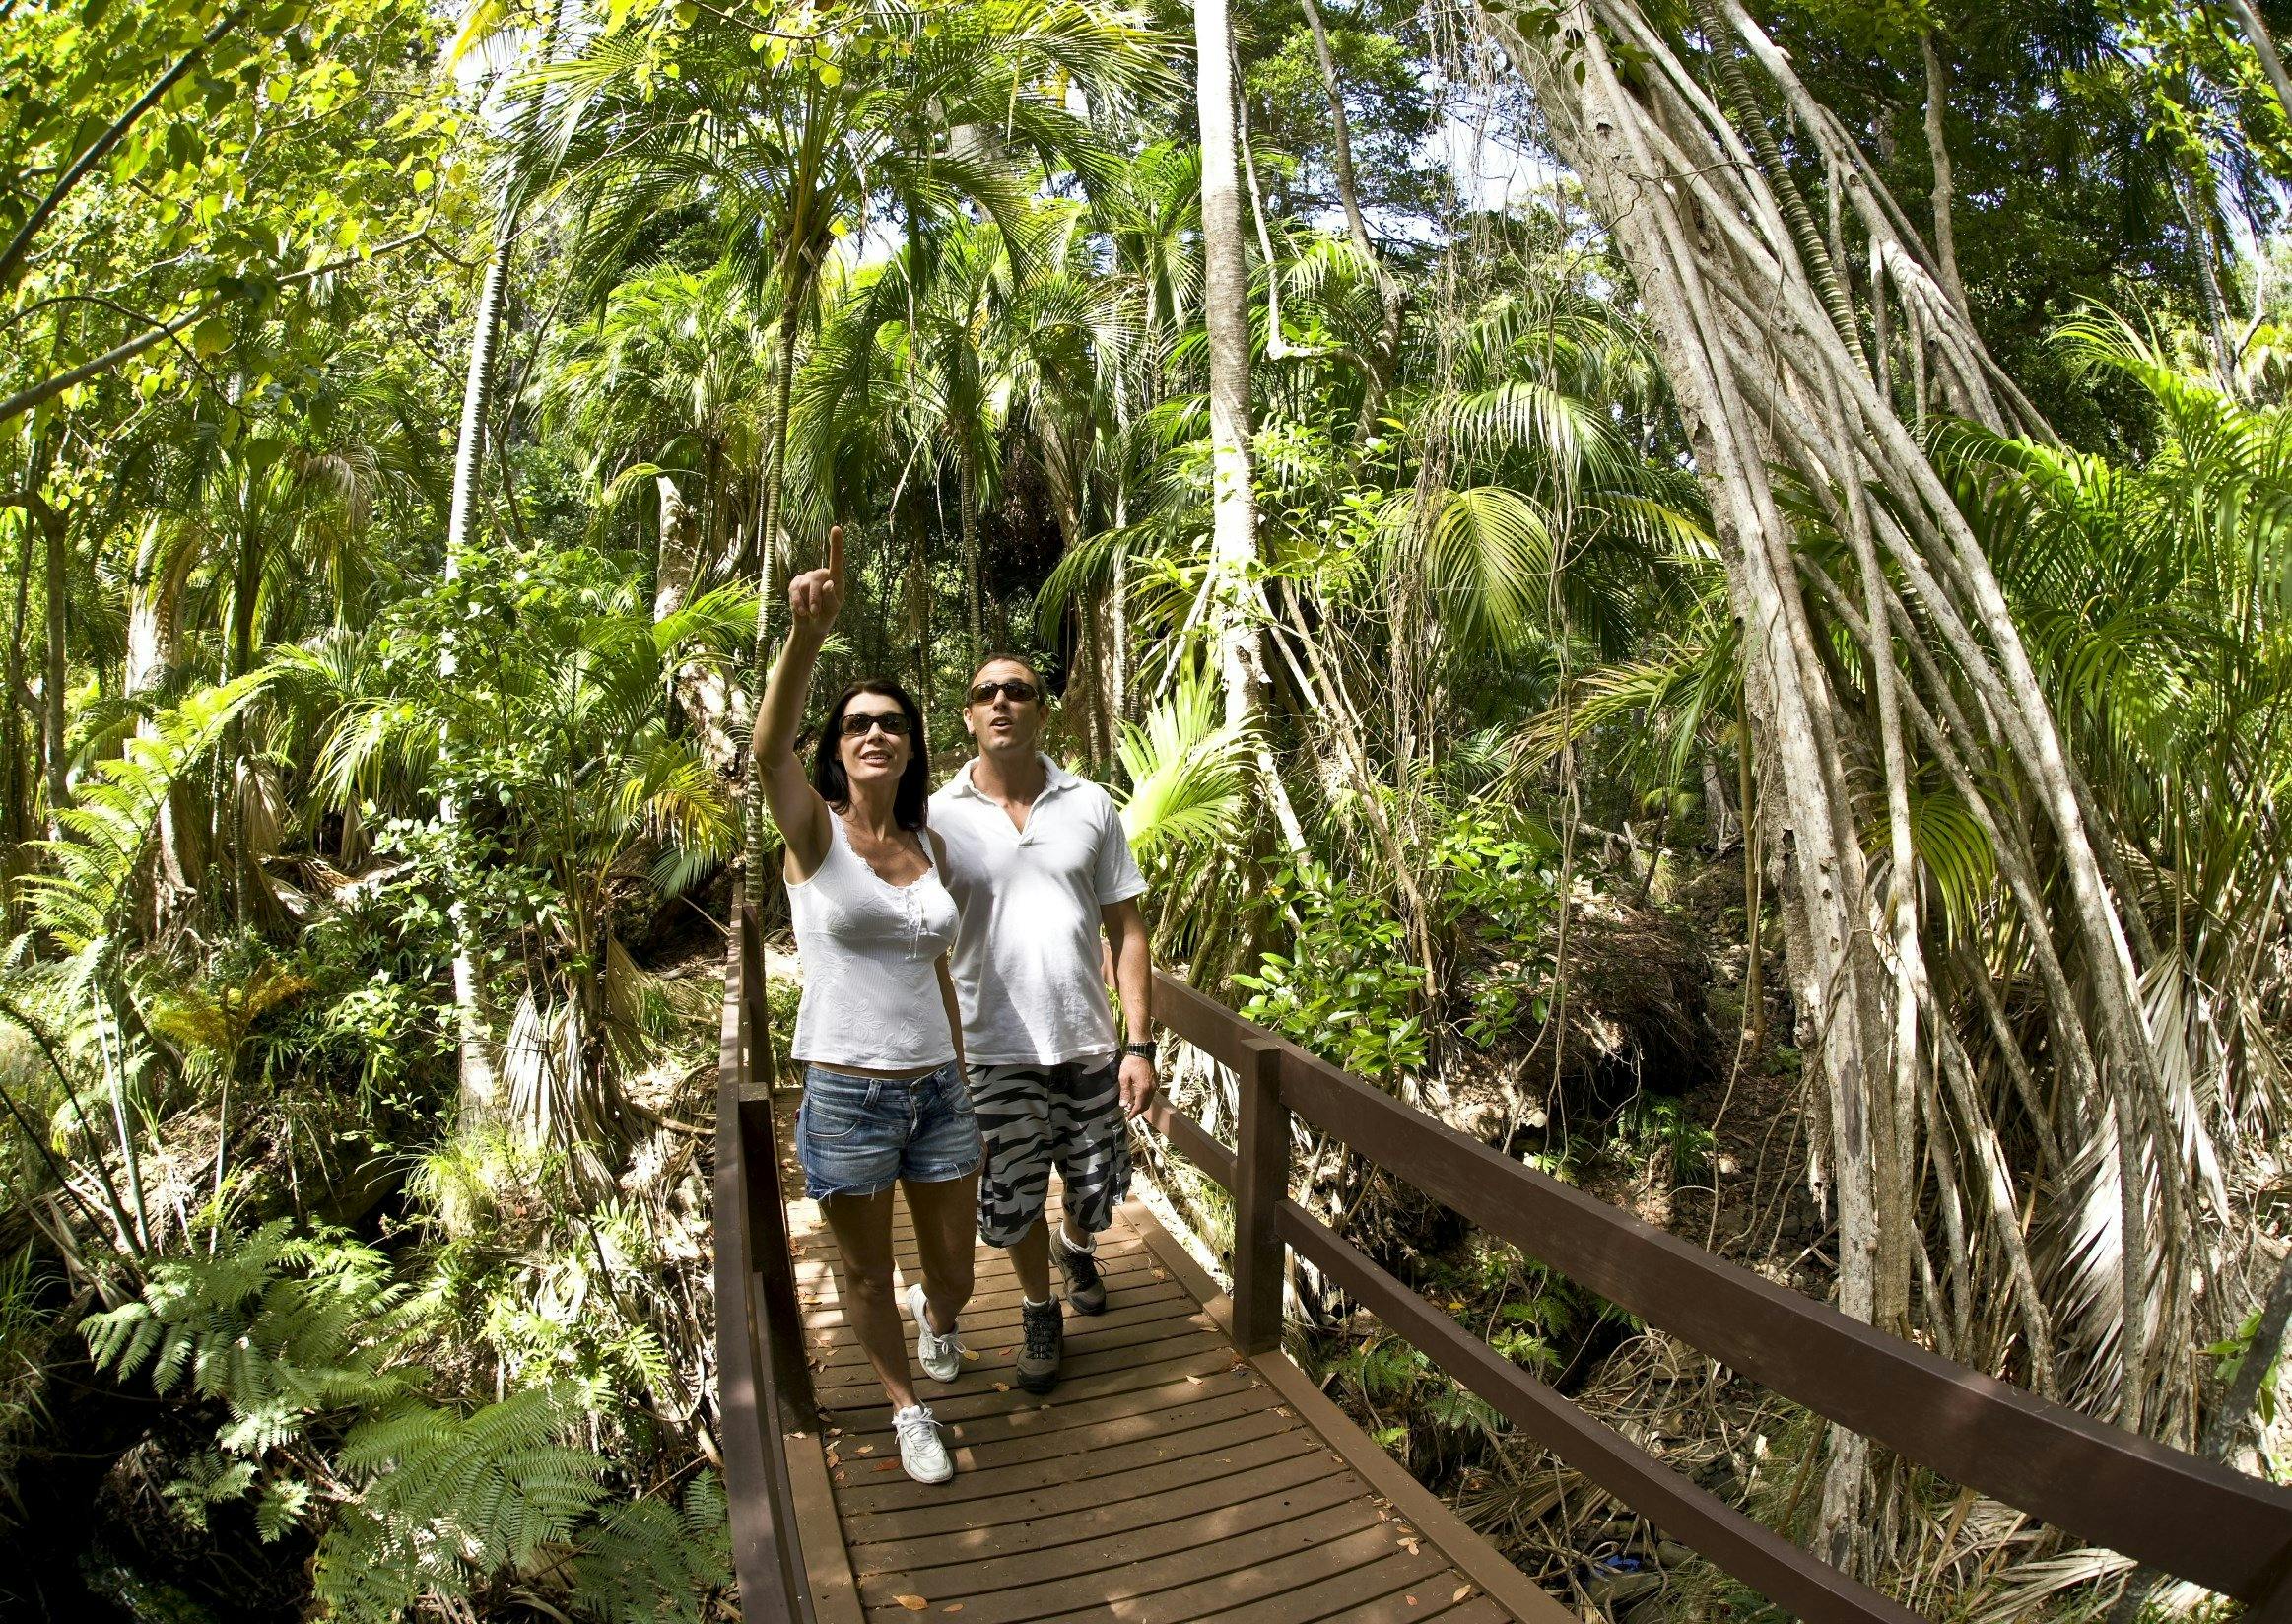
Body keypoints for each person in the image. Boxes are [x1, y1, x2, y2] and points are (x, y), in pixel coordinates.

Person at [751, 526, 978, 1486]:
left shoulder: (933, 849)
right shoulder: (815, 836)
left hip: (937, 1087)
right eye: (857, 724)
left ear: (912, 744)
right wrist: (808, 635)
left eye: (892, 720)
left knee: (958, 1271)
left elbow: (937, 967)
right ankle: (907, 1408)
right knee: (860, 1272)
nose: (876, 730)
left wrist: (965, 1068)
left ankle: (938, 1320)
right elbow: (766, 751)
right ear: (838, 752)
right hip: (844, 1088)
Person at [929, 653, 1157, 1394]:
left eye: (1017, 691)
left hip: (1088, 1041)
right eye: (984, 693)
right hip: (991, 1045)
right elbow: (913, 931)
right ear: (968, 715)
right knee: (1015, 1189)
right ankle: (1037, 1310)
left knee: (1094, 1185)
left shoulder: (1089, 804)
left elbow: (1128, 929)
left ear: (1040, 710)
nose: (1001, 702)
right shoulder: (936, 817)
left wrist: (1140, 1042)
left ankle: (1076, 1244)